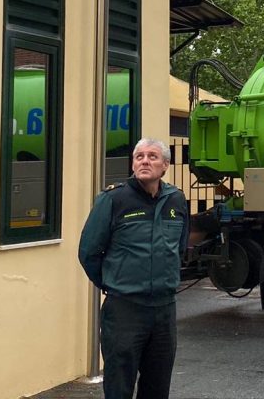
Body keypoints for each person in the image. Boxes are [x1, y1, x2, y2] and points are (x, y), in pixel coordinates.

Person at [79, 138, 189, 399]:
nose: (145, 161)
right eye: (139, 156)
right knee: (119, 386)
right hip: (125, 310)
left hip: (164, 310)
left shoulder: (176, 199)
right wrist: (113, 282)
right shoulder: (113, 199)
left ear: (165, 165)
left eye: (152, 156)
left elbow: (180, 247)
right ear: (132, 163)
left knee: (157, 387)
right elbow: (89, 252)